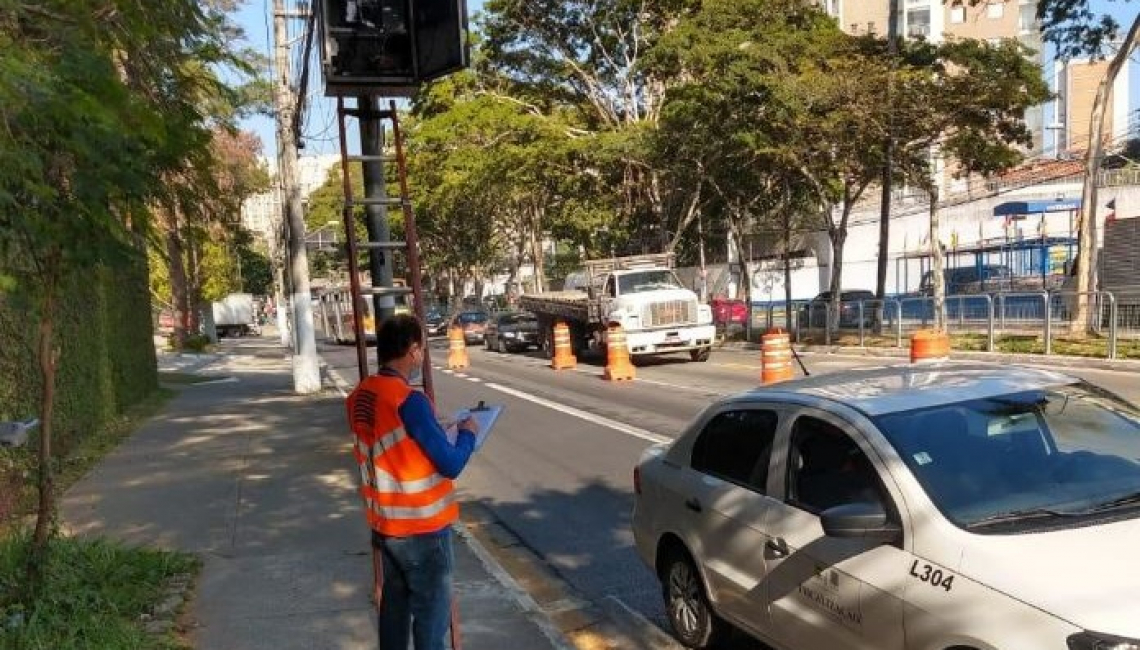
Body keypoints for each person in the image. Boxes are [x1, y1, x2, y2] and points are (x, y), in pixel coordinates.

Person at [346, 314, 479, 650]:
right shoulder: (409, 400)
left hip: (386, 525)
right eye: (420, 349)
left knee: (394, 613)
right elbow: (450, 464)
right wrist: (467, 436)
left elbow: (392, 445)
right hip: (423, 529)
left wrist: (435, 430)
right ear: (411, 350)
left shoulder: (362, 396)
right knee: (431, 624)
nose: (421, 356)